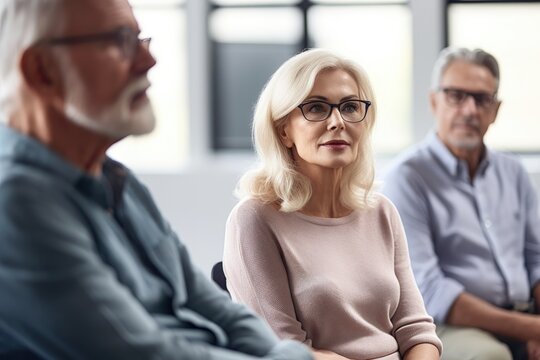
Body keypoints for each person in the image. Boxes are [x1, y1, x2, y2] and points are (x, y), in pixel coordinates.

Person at [0, 1, 315, 359]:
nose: (148, 61)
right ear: (42, 70)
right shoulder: (15, 203)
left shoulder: (118, 180)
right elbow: (142, 354)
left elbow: (209, 304)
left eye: (140, 39)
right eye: (119, 41)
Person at [223, 49, 442, 360]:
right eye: (316, 108)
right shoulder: (254, 219)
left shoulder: (382, 212)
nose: (337, 121)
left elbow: (416, 330)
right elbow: (284, 349)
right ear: (284, 130)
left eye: (350, 107)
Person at [381, 47, 540, 360]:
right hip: (446, 323)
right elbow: (431, 289)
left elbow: (536, 261)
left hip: (525, 313)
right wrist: (530, 329)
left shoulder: (513, 171)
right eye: (456, 95)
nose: (470, 110)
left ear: (495, 109)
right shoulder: (407, 178)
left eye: (481, 99)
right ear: (434, 101)